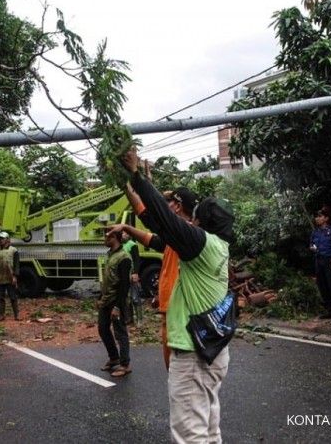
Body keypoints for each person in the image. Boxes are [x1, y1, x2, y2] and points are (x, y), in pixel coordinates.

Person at [119, 149, 234, 444]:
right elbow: (158, 225)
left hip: (195, 354)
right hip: (211, 351)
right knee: (208, 428)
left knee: (189, 435)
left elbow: (165, 222)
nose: (189, 221)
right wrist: (135, 184)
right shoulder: (217, 245)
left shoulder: (200, 244)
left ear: (200, 222)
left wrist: (138, 177)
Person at [110, 186, 198, 370]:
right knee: (175, 374)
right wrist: (127, 227)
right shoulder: (175, 236)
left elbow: (147, 214)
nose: (165, 205)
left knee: (181, 374)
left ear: (178, 206)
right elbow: (150, 239)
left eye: (169, 202)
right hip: (171, 311)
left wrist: (131, 183)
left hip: (180, 315)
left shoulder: (185, 233)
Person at [98, 230, 133, 378]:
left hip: (117, 300)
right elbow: (107, 279)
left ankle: (125, 365)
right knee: (102, 328)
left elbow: (124, 285)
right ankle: (114, 358)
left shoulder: (124, 258)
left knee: (120, 333)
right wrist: (100, 297)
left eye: (107, 236)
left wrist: (118, 307)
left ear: (115, 238)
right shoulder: (110, 254)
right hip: (106, 299)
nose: (105, 238)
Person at [0, 231, 20, 321]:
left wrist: (15, 276)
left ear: (7, 239)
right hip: (0, 277)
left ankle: (16, 315)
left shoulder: (13, 250)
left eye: (2, 239)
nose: (0, 240)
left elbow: (16, 264)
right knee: (0, 297)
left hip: (10, 276)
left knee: (13, 296)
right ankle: (1, 315)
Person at [121, 230, 142, 325]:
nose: (123, 235)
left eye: (125, 233)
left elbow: (137, 259)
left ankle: (139, 320)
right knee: (126, 298)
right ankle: (129, 319)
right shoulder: (120, 246)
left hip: (132, 274)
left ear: (129, 235)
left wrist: (135, 273)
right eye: (122, 233)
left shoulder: (132, 245)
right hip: (124, 275)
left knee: (135, 298)